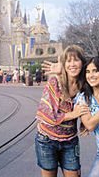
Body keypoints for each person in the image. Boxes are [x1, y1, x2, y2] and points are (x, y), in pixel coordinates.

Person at [35, 45, 89, 177]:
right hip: (46, 139)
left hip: (70, 140)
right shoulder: (55, 82)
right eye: (68, 61)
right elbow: (46, 114)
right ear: (63, 64)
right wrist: (73, 114)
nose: (72, 64)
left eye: (76, 60)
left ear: (82, 62)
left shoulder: (85, 84)